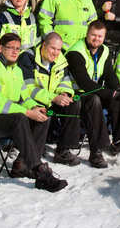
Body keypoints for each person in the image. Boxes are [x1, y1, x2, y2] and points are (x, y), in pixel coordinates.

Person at [0, 33, 67, 192]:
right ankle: (40, 172)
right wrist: (27, 112)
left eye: (18, 49)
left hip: (5, 117)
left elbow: (23, 98)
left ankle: (23, 165)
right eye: (10, 48)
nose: (15, 52)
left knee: (43, 117)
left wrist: (35, 108)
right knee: (20, 118)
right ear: (0, 49)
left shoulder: (16, 70)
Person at [66, 21, 120, 168]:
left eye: (100, 36)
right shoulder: (76, 52)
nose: (96, 39)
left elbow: (109, 75)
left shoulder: (104, 50)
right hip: (75, 94)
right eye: (93, 35)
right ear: (87, 34)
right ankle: (96, 151)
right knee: (95, 100)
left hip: (94, 90)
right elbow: (84, 83)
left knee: (118, 98)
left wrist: (118, 90)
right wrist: (111, 93)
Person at [17, 32, 81, 167]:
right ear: (43, 45)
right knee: (44, 111)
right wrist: (54, 98)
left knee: (74, 103)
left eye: (58, 49)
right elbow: (28, 88)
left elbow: (65, 81)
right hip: (32, 100)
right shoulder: (28, 57)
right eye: (53, 48)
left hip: (52, 97)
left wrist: (64, 93)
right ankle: (33, 157)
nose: (56, 53)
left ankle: (63, 150)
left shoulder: (60, 59)